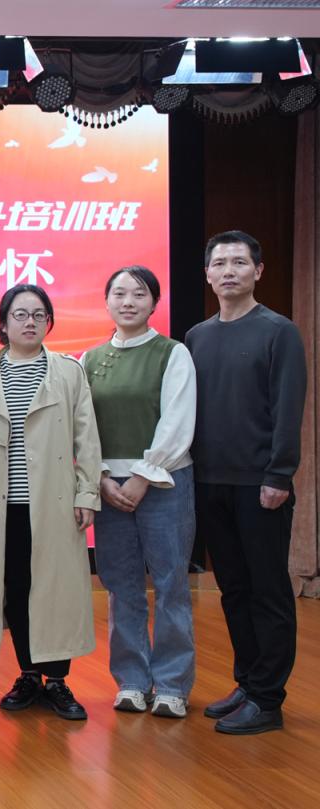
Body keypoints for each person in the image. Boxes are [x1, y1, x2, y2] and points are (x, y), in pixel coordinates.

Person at [185, 231, 306, 735]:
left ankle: (268, 699)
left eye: (239, 262)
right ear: (207, 275)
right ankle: (248, 682)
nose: (229, 271)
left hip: (261, 485)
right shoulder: (196, 336)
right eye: (220, 263)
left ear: (258, 271)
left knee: (267, 590)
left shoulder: (279, 331)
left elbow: (288, 408)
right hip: (209, 482)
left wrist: (279, 474)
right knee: (233, 589)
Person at [0, 284, 101, 721]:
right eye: (20, 314)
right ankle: (28, 673)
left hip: (55, 500)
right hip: (2, 504)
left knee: (55, 589)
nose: (30, 322)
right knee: (16, 587)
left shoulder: (68, 371)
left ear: (49, 322)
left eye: (39, 315)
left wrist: (87, 492)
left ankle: (57, 680)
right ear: (3, 322)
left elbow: (87, 436)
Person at [83, 266, 197, 719]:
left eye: (139, 293)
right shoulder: (89, 359)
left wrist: (144, 475)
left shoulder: (173, 353)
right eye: (119, 293)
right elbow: (82, 427)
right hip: (109, 488)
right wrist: (100, 478)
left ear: (154, 302)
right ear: (107, 301)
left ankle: (171, 684)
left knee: (170, 585)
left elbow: (177, 421)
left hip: (164, 484)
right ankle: (131, 680)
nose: (128, 301)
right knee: (121, 586)